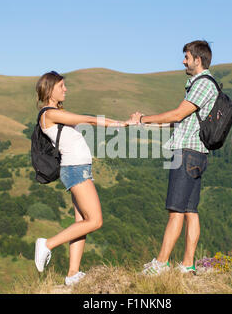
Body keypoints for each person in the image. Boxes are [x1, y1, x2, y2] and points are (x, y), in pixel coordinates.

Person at [129, 40, 218, 275]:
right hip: (196, 153)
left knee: (176, 210)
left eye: (186, 57)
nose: (183, 61)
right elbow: (181, 120)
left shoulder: (202, 84)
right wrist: (144, 124)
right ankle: (187, 265)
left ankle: (161, 263)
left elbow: (179, 113)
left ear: (198, 60)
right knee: (190, 210)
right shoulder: (201, 85)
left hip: (186, 153)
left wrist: (144, 119)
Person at [34, 71, 130, 286]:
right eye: (61, 86)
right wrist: (118, 124)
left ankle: (72, 274)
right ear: (50, 90)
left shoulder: (56, 112)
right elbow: (86, 119)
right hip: (75, 170)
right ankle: (47, 244)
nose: (65, 89)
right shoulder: (47, 114)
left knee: (82, 222)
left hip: (80, 169)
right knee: (95, 220)